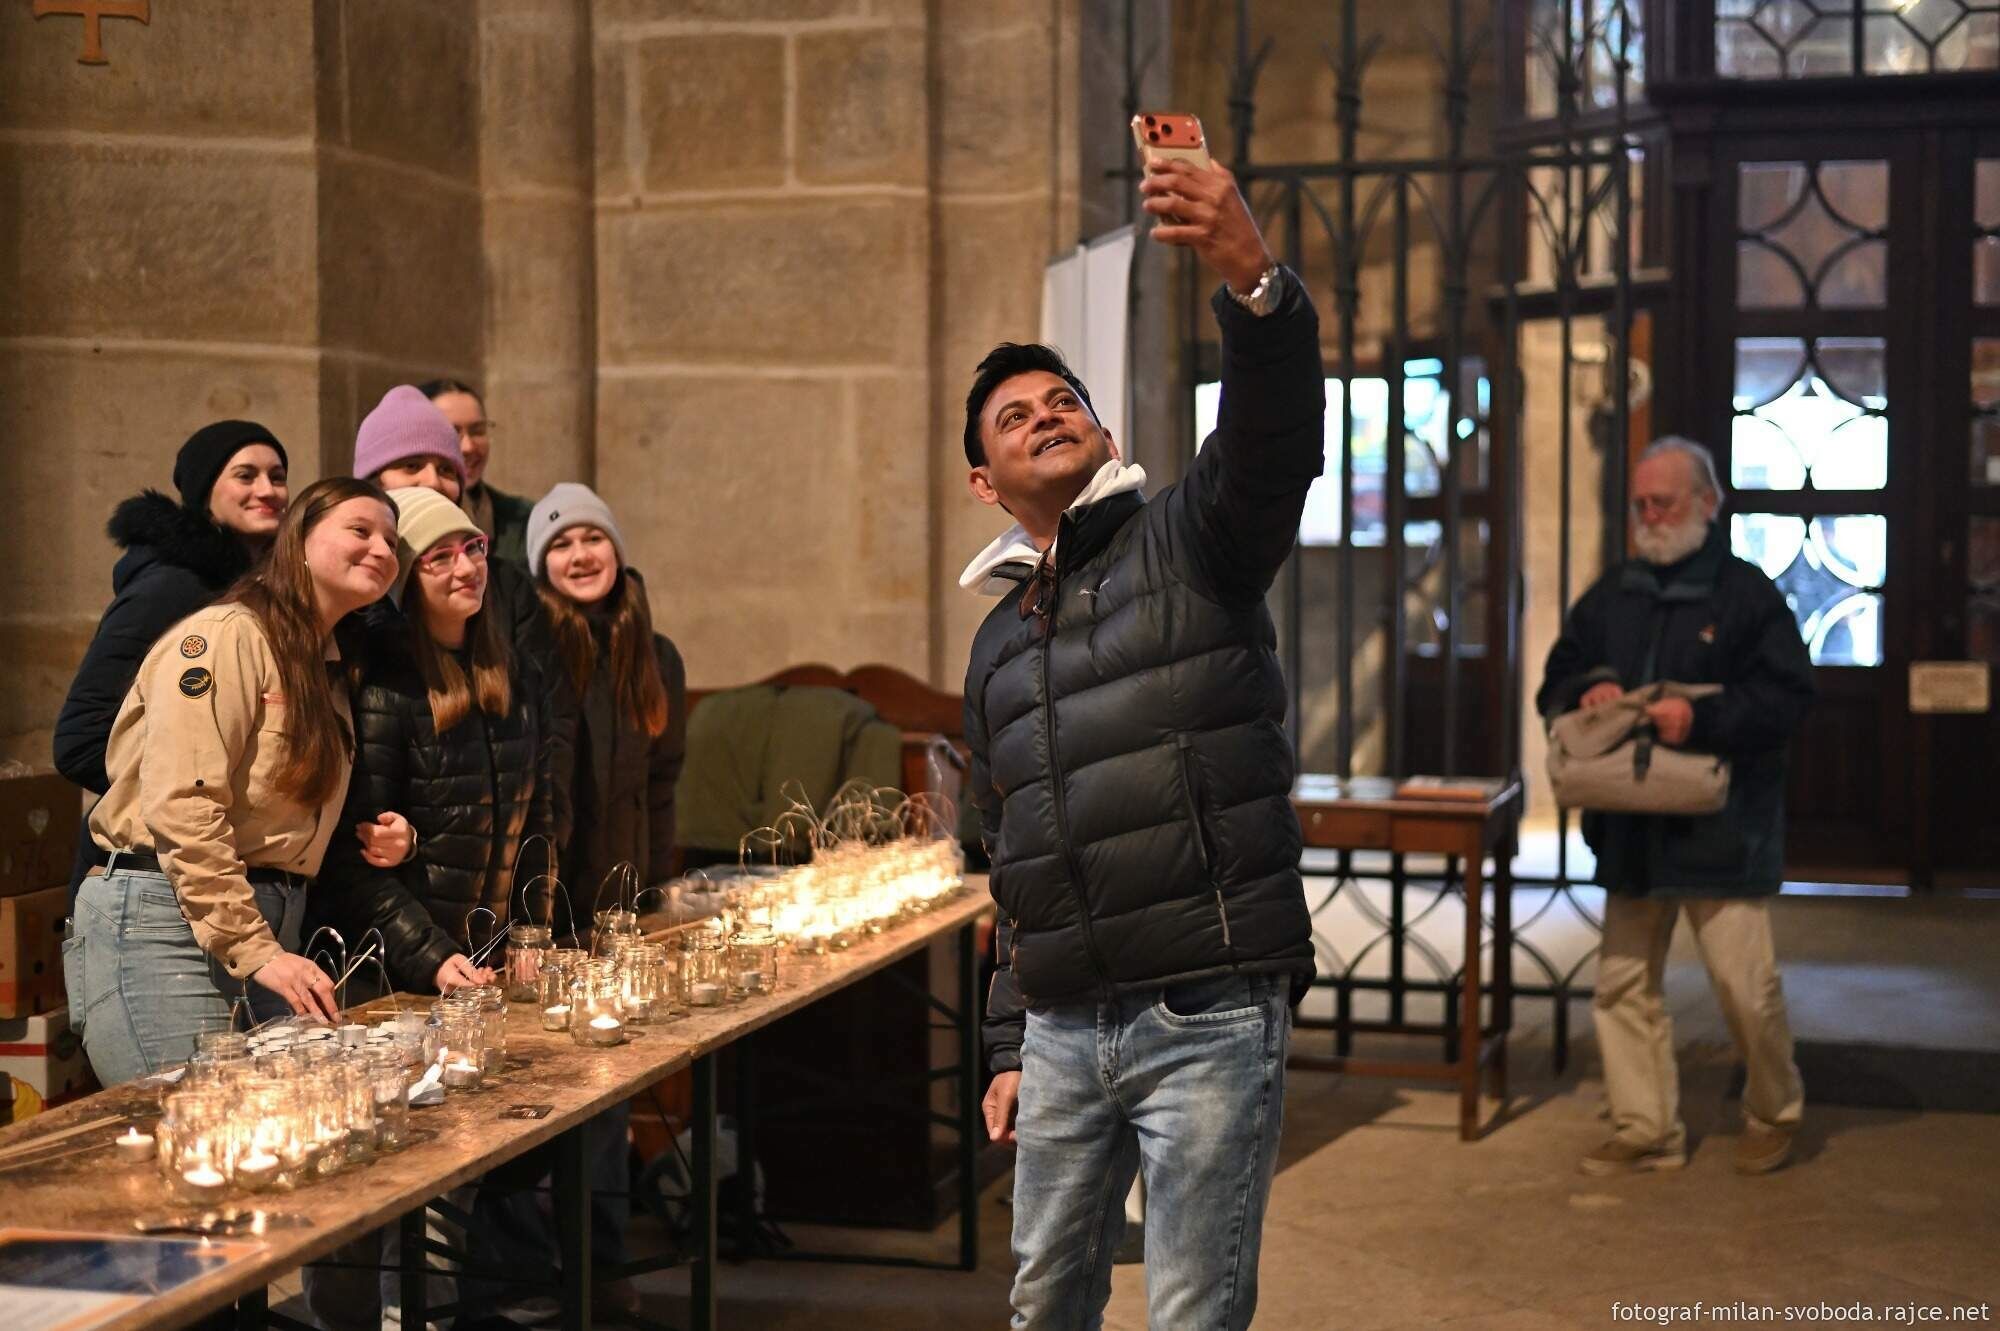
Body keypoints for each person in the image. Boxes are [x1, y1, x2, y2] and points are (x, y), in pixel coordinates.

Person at [962, 155, 1324, 1330]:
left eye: (1060, 400)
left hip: (1203, 1009)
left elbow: (1271, 439)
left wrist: (1251, 282)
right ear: (983, 481)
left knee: (1189, 1311)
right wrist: (1008, 1041)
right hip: (1062, 1028)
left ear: (1103, 428)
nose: (1044, 414)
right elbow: (1009, 862)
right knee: (1044, 1301)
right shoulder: (994, 645)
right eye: (1014, 416)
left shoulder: (1191, 541)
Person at [63, 478, 404, 1086]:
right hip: (165, 922)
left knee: (274, 1130)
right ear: (298, 540)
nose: (382, 549)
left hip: (264, 924)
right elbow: (184, 803)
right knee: (195, 1121)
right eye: (361, 530)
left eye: (392, 541)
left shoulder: (323, 665)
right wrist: (256, 947)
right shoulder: (226, 635)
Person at [1538, 436, 1814, 1177]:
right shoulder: (1614, 591)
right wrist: (1591, 686)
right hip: (1631, 825)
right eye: (1641, 504)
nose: (1650, 517)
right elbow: (1558, 675)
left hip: (1724, 826)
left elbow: (1789, 697)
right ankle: (1645, 1127)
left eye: (1662, 502)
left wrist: (1702, 720)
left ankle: (1774, 1111)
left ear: (1707, 502)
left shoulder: (1747, 595)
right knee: (1623, 986)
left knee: (1744, 988)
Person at [520, 482, 688, 1318]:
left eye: (593, 538)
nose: (581, 554)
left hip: (617, 915)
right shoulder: (529, 649)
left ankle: (601, 1273)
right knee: (530, 1105)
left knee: (607, 1098)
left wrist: (653, 899)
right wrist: (527, 917)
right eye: (560, 544)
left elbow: (661, 785)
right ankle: (523, 1279)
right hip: (540, 915)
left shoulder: (654, 652)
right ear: (539, 565)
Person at [321, 485, 547, 997]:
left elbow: (539, 822)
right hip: (401, 974)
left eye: (473, 547)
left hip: (492, 964)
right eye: (439, 557)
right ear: (406, 580)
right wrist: (433, 956)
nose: (466, 568)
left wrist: (530, 934)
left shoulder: (518, 675)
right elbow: (355, 857)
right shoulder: (386, 684)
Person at [54, 421, 290, 900]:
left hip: (224, 870)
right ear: (205, 492)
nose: (267, 490)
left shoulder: (265, 593)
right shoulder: (172, 588)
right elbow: (79, 739)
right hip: (149, 876)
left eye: (278, 476)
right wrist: (188, 797)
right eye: (245, 476)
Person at [352, 384, 575, 847]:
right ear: (373, 483)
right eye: (411, 466)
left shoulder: (505, 584)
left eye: (446, 469)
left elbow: (548, 724)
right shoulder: (356, 595)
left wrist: (540, 839)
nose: (433, 482)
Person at [419, 377, 533, 566]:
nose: (468, 447)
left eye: (478, 431)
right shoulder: (391, 520)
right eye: (452, 432)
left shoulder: (522, 518)